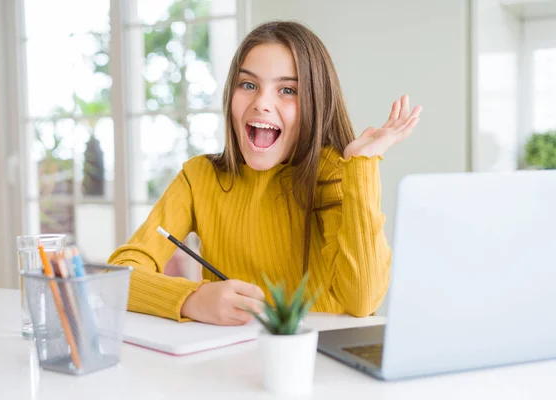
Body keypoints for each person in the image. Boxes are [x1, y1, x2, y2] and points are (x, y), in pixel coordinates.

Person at [108, 20, 423, 326]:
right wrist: (193, 298)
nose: (262, 103)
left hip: (323, 368)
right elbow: (118, 276)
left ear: (316, 102)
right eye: (248, 85)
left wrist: (362, 165)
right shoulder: (199, 177)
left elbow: (363, 301)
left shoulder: (335, 174)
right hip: (227, 366)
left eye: (287, 90)